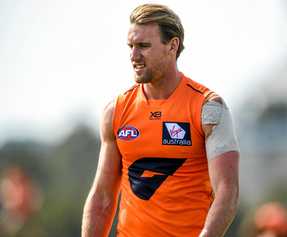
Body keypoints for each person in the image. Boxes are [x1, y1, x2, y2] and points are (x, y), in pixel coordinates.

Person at [82, 3, 240, 237]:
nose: (134, 56)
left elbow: (228, 193)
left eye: (143, 46)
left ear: (172, 46)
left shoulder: (208, 108)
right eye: (131, 46)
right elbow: (102, 198)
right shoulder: (116, 111)